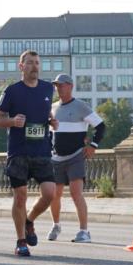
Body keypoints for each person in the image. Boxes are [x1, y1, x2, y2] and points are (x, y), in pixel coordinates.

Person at [0, 50, 59, 257]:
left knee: (49, 194)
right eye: (30, 63)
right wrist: (11, 121)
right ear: (21, 67)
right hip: (18, 152)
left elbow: (46, 112)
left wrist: (51, 120)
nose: (34, 66)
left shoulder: (47, 88)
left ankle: (29, 221)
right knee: (20, 197)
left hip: (42, 151)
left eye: (37, 63)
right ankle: (21, 241)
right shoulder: (12, 91)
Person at [46, 74, 105, 243]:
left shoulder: (81, 106)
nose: (59, 88)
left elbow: (101, 126)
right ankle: (56, 225)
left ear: (70, 86)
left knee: (75, 193)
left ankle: (84, 231)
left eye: (62, 85)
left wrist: (93, 145)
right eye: (57, 85)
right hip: (56, 158)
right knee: (53, 195)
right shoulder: (52, 108)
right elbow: (49, 133)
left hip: (76, 156)